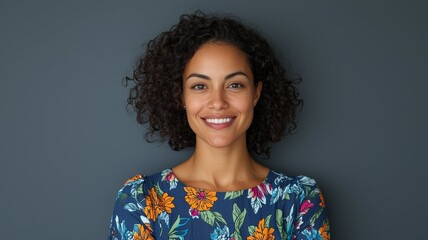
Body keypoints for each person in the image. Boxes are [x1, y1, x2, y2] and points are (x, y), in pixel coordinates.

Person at [108, 11, 330, 240]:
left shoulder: (298, 201)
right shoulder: (141, 201)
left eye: (234, 85)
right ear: (180, 96)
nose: (218, 102)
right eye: (199, 86)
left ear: (256, 93)